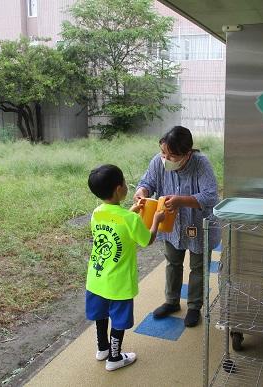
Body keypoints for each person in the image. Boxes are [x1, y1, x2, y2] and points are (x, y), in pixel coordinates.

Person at [133, 126, 220, 327]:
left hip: (198, 223)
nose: (166, 158)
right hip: (170, 225)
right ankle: (171, 301)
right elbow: (147, 182)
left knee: (198, 266)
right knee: (173, 262)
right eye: (164, 152)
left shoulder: (201, 164)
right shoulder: (158, 161)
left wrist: (181, 200)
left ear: (187, 154)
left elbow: (210, 196)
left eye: (172, 155)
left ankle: (194, 306)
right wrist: (142, 192)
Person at [86, 164, 165, 371]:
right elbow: (147, 239)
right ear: (119, 189)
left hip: (97, 278)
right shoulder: (129, 220)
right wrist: (156, 220)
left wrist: (132, 211)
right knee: (119, 320)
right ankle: (114, 358)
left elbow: (115, 221)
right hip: (119, 283)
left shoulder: (96, 213)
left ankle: (102, 349)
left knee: (101, 315)